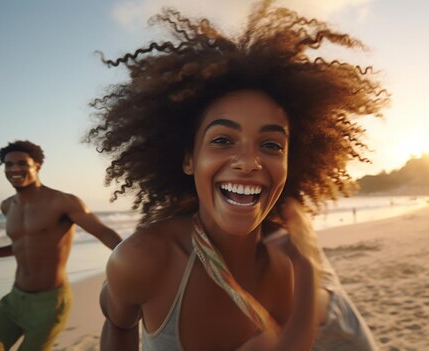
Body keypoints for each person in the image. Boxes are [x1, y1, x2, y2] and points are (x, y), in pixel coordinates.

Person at [88, 1, 386, 349]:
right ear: (189, 159)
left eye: (272, 145)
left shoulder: (290, 267)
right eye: (223, 140)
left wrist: (307, 270)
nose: (248, 162)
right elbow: (119, 324)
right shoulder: (142, 259)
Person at [0, 140, 123, 351]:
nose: (14, 169)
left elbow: (103, 232)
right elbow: (27, 244)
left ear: (37, 165)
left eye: (22, 163)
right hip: (14, 299)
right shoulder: (7, 206)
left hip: (49, 303)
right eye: (8, 164)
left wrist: (132, 260)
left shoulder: (63, 202)